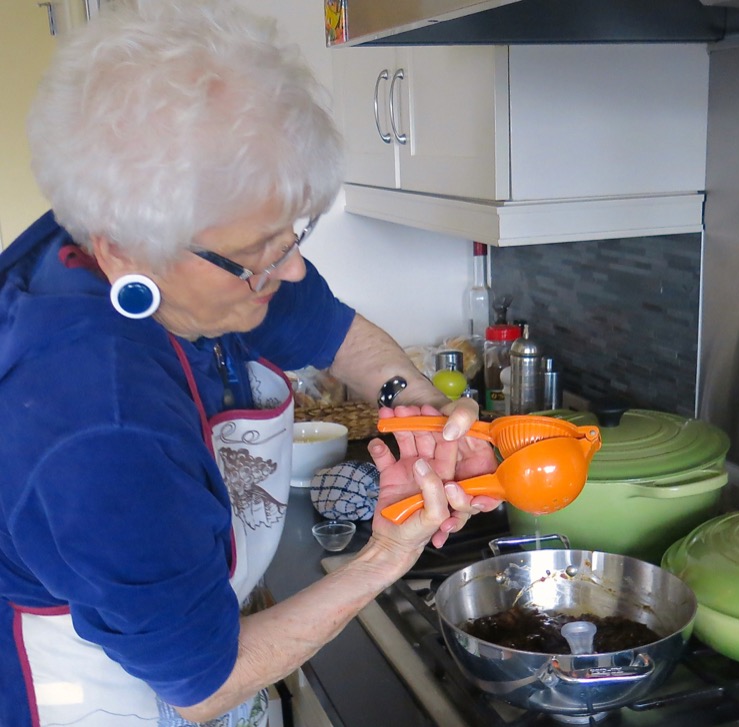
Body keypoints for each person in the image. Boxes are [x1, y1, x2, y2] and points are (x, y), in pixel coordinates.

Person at [0, 2, 499, 726]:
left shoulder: (197, 249)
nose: (293, 269)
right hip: (98, 697)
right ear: (125, 251)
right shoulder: (96, 427)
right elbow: (202, 683)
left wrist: (414, 404)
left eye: (291, 233)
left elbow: (332, 330)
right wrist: (387, 555)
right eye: (262, 254)